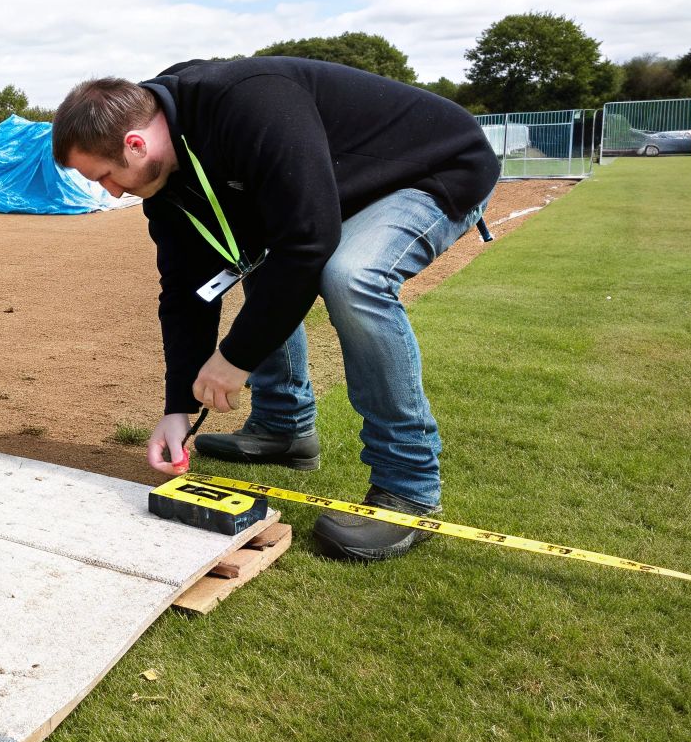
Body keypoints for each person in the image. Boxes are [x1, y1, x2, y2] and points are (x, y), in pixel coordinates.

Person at [52, 56, 500, 561]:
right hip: (343, 186)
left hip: (433, 167)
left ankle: (409, 488)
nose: (111, 193)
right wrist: (179, 406)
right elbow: (185, 291)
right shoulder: (168, 183)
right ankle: (284, 427)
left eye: (108, 176)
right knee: (254, 259)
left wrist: (235, 357)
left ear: (135, 143)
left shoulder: (248, 101)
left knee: (350, 276)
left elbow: (308, 241)